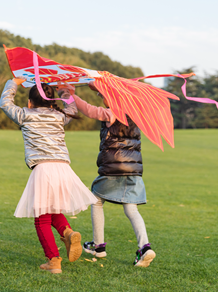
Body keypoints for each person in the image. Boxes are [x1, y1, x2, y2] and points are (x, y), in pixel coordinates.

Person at [0, 76, 98, 274]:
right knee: (50, 209)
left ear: (30, 102)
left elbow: (5, 103)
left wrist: (14, 83)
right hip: (63, 168)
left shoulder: (25, 114)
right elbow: (72, 109)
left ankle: (53, 260)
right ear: (51, 101)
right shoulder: (59, 115)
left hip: (43, 168)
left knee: (41, 218)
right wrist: (65, 92)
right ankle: (67, 232)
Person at [63, 82, 156, 267]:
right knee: (131, 208)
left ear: (113, 99)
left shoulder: (112, 114)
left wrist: (68, 94)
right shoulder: (133, 114)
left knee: (96, 200)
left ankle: (98, 246)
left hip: (114, 168)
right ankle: (145, 247)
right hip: (133, 170)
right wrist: (98, 88)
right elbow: (110, 98)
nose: (102, 98)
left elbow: (89, 110)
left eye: (104, 96)